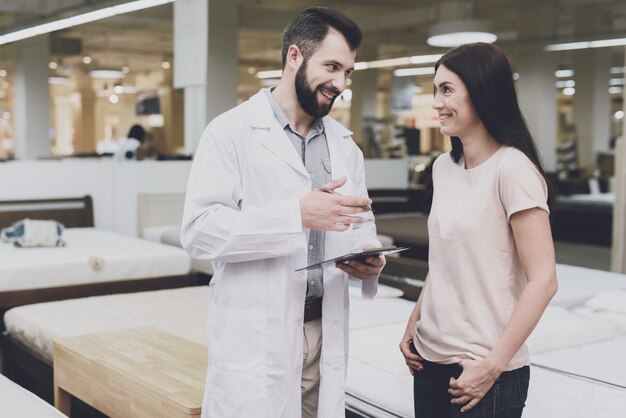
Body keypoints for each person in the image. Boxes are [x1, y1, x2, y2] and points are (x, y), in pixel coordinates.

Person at [180, 7, 385, 418]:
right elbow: (199, 232)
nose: (341, 84)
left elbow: (361, 223)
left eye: (348, 72)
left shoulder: (346, 147)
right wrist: (296, 215)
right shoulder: (231, 132)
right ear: (295, 56)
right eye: (332, 67)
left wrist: (368, 256)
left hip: (322, 329)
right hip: (259, 332)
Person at [399, 42, 558, 418]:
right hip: (428, 359)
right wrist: (414, 322)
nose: (436, 102)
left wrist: (492, 365)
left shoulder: (512, 170)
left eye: (447, 90)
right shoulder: (442, 167)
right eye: (436, 90)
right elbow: (446, 262)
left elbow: (544, 280)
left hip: (485, 371)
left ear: (483, 92)